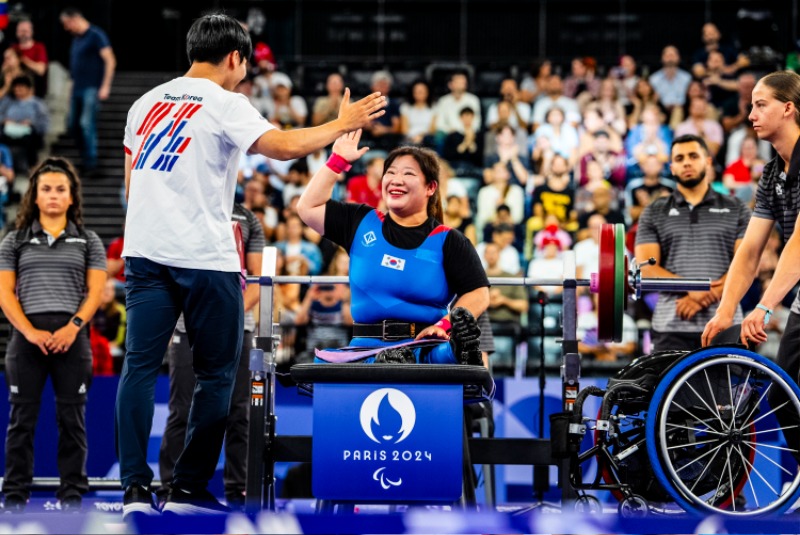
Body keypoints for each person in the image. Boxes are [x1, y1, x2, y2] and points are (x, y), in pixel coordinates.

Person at [117, 12, 385, 517]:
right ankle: (188, 490)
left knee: (137, 368)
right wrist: (340, 125)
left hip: (144, 252)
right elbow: (282, 148)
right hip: (204, 257)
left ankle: (134, 490)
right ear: (236, 58)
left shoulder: (143, 103)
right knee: (218, 375)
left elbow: (134, 182)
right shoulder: (224, 103)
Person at [297, 132, 489, 366]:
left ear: (430, 188)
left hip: (423, 348)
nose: (396, 179)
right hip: (364, 351)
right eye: (390, 172)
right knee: (322, 366)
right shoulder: (360, 221)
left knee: (444, 355)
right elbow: (308, 207)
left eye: (408, 173)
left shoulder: (449, 240)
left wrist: (444, 326)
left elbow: (479, 293)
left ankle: (457, 350)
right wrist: (337, 160)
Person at [701, 70, 800, 463]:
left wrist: (763, 306)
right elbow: (750, 251)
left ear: (789, 108)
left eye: (761, 104)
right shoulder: (773, 172)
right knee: (783, 397)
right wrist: (725, 311)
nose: (751, 114)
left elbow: (799, 242)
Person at [0, 157, 106, 512]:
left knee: (72, 421)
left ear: (72, 197)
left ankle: (72, 493)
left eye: (61, 190)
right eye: (46, 189)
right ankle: (15, 494)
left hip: (71, 341)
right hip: (26, 341)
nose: (53, 196)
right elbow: (4, 294)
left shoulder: (89, 241)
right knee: (21, 421)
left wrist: (72, 328)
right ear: (35, 195)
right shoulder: (14, 241)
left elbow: (94, 293)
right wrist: (29, 332)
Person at [158, 202, 265, 511]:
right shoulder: (184, 207)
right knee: (181, 409)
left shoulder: (248, 218)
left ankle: (238, 489)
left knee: (239, 412)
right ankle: (171, 488)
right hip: (188, 325)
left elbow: (257, 280)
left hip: (237, 326)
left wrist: (224, 315)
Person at [635, 134, 750, 351]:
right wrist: (692, 288)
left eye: (693, 156)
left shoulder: (737, 208)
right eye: (679, 158)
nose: (686, 162)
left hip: (725, 323)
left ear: (707, 161)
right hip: (671, 325)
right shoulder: (654, 211)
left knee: (723, 387)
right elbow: (647, 269)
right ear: (671, 167)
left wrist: (703, 295)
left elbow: (747, 264)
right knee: (668, 386)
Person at [60, 7, 117, 173]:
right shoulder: (76, 39)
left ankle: (91, 162)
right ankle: (85, 158)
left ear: (74, 19)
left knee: (86, 124)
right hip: (77, 88)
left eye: (66, 24)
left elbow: (110, 60)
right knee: (72, 125)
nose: (66, 28)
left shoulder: (95, 35)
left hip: (91, 88)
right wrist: (70, 92)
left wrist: (105, 86)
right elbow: (74, 70)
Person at [11, 19, 48, 98]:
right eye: (20, 31)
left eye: (25, 31)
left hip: (33, 94)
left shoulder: (38, 47)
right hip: (14, 94)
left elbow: (41, 70)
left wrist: (23, 59)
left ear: (31, 32)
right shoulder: (13, 48)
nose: (23, 34)